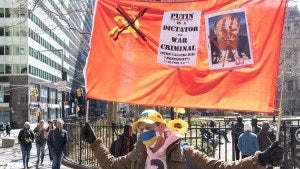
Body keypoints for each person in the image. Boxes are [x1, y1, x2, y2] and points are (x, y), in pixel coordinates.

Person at [81, 109, 283, 169]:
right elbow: (111, 165)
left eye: (149, 128)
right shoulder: (138, 153)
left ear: (161, 127)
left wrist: (261, 159)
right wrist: (93, 142)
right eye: (141, 130)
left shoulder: (186, 154)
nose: (145, 134)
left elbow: (222, 168)